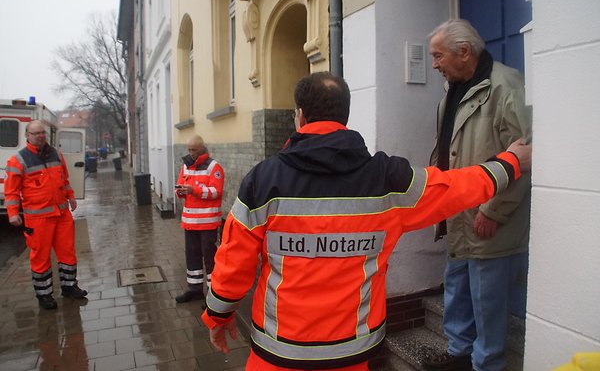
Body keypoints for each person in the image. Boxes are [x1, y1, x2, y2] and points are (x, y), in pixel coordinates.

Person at [200, 71, 531, 371]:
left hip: (278, 353)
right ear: (345, 116)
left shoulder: (263, 181)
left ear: (299, 116)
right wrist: (511, 162)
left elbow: (233, 260)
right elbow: (456, 187)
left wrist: (218, 314)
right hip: (352, 354)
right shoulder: (388, 179)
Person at [423, 19, 531, 371]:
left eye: (438, 56)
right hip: (458, 209)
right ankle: (459, 354)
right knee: (457, 288)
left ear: (464, 52)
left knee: (487, 301)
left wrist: (494, 210)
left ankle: (487, 364)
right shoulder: (453, 88)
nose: (435, 64)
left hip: (487, 216)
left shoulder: (505, 85)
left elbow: (524, 154)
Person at [4, 120, 87, 310]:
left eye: (42, 132)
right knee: (40, 257)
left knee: (68, 252)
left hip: (62, 215)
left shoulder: (56, 154)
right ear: (27, 136)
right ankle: (44, 295)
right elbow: (11, 192)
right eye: (36, 133)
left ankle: (69, 287)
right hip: (38, 220)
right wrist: (12, 213)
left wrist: (71, 198)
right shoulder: (18, 160)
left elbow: (64, 180)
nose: (40, 136)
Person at [174, 135, 224, 303]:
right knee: (192, 256)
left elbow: (216, 192)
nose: (191, 153)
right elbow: (180, 185)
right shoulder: (186, 166)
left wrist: (193, 190)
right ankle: (195, 289)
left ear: (202, 148)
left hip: (208, 223)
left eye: (194, 150)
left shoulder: (214, 167)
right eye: (189, 150)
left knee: (210, 258)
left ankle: (213, 294)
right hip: (190, 222)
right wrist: (180, 192)